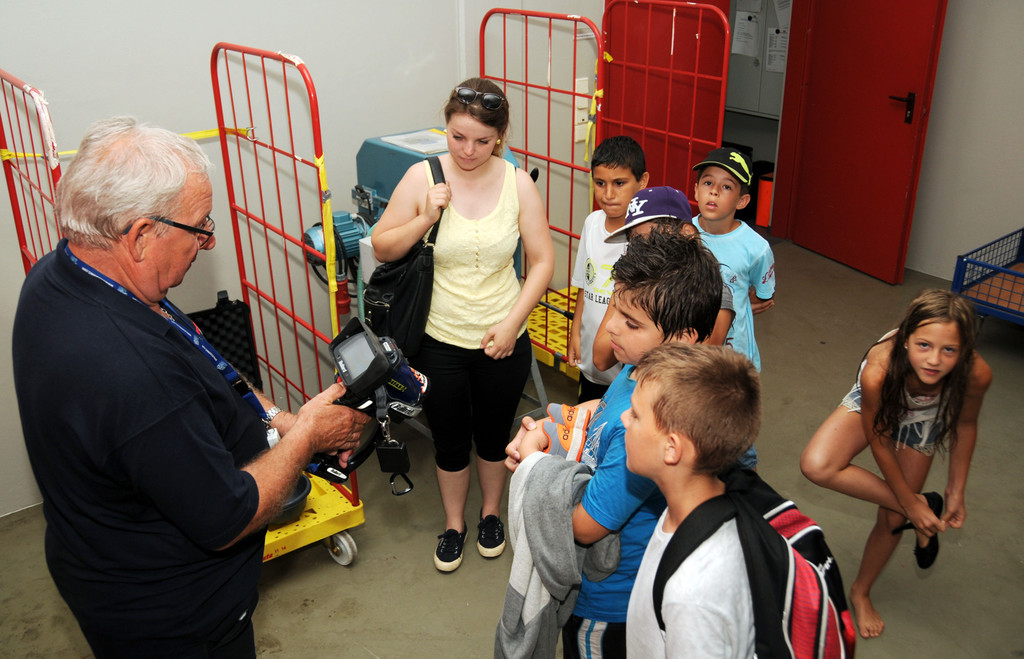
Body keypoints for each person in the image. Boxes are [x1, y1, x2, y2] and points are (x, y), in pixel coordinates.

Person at [11, 117, 369, 657]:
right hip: (175, 619)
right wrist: (308, 437)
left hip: (101, 564)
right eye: (199, 226)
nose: (209, 241)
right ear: (138, 237)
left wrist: (276, 419)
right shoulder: (130, 371)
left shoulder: (65, 273)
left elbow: (194, 356)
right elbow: (227, 518)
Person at [506, 228, 722, 658]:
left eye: (631, 322)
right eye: (615, 310)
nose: (611, 331)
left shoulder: (644, 427)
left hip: (607, 603)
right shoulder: (640, 369)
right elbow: (600, 413)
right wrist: (555, 429)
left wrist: (537, 469)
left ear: (682, 338)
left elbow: (586, 527)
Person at [371, 78, 555, 572]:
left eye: (482, 140)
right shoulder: (421, 176)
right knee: (451, 438)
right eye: (457, 137)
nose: (468, 150)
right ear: (446, 129)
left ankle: (490, 514)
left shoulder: (517, 182)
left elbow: (541, 262)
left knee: (494, 436)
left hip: (503, 335)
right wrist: (424, 216)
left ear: (500, 137)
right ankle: (454, 523)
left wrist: (512, 325)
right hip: (438, 340)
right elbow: (383, 246)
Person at [800, 289, 992, 639]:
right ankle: (922, 506)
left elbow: (965, 424)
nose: (934, 359)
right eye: (924, 345)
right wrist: (908, 500)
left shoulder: (976, 374)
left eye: (949, 350)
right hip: (882, 402)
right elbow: (879, 436)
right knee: (817, 464)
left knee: (892, 517)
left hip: (926, 415)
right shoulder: (880, 368)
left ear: (964, 351)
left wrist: (956, 490)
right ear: (905, 340)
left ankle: (861, 591)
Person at [624, 343, 760, 658]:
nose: (623, 419)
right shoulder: (690, 504)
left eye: (635, 415)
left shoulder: (692, 596)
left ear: (672, 449)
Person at [691, 147, 775, 470]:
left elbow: (765, 295)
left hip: (735, 359)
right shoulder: (684, 234)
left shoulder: (756, 247)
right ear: (696, 190)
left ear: (742, 201)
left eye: (727, 186)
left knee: (735, 439)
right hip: (694, 352)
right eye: (707, 182)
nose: (714, 191)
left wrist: (742, 304)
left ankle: (743, 487)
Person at [590, 187, 735, 366]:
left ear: (687, 233)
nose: (640, 250)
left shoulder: (716, 294)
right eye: (633, 242)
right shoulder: (635, 281)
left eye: (649, 238)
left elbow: (694, 369)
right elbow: (600, 359)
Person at [568, 136, 648, 403]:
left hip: (627, 373)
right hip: (590, 365)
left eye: (619, 183)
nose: (608, 194)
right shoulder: (591, 223)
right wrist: (575, 331)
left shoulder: (645, 236)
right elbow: (584, 285)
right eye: (600, 183)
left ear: (643, 182)